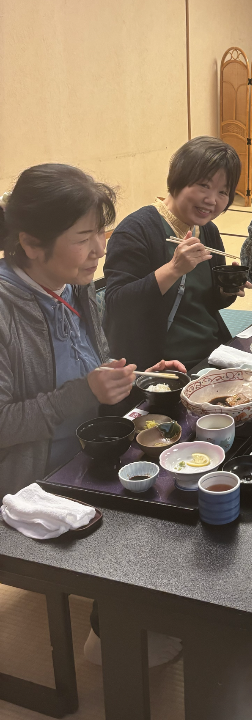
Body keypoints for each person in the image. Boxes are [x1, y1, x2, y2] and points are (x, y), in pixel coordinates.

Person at [0, 164, 183, 497]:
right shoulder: (6, 308)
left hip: (93, 457)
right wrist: (86, 392)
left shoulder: (74, 283)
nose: (100, 249)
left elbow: (92, 364)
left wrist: (139, 377)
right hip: (34, 490)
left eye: (101, 232)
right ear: (31, 243)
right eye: (84, 239)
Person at [105, 137, 248, 372]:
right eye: (204, 185)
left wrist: (227, 290)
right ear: (179, 178)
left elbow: (207, 303)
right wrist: (173, 269)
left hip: (211, 353)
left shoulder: (207, 231)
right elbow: (117, 306)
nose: (211, 200)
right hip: (162, 366)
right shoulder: (135, 230)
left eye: (223, 192)